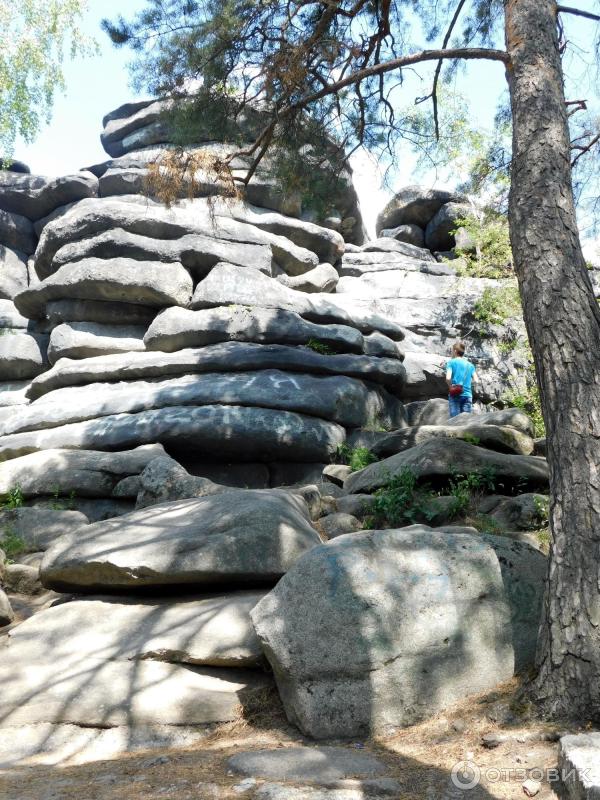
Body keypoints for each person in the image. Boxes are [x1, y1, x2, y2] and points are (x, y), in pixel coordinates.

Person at [445, 341, 477, 418]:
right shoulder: (470, 365)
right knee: (466, 421)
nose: (452, 352)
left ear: (455, 351)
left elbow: (448, 378)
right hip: (467, 395)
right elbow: (476, 380)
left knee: (455, 421)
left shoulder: (451, 362)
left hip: (455, 394)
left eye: (452, 350)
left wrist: (451, 387)